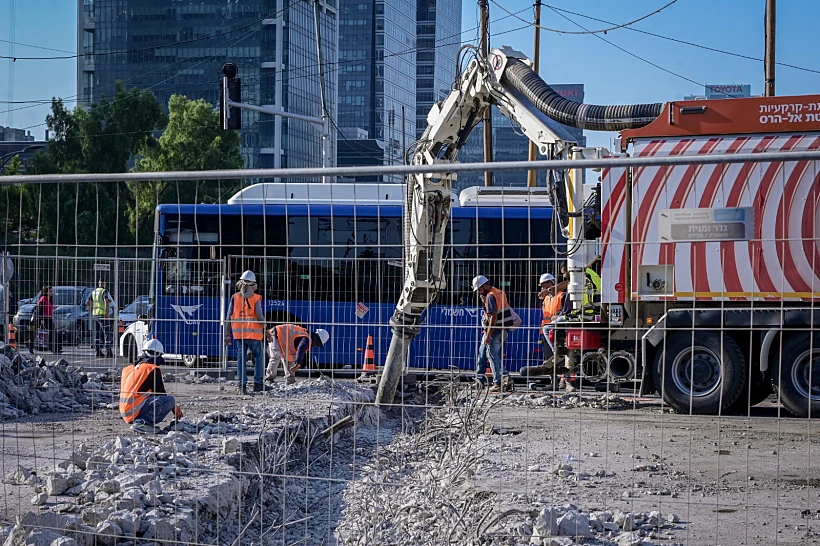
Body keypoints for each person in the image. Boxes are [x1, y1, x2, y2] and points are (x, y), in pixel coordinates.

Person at [119, 339, 183, 434]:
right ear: (158, 354)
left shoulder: (129, 369)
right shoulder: (152, 369)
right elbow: (160, 393)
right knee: (169, 400)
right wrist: (173, 407)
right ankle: (142, 423)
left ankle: (140, 422)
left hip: (125, 411)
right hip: (134, 410)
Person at [225, 270, 271, 395]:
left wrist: (227, 334)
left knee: (241, 360)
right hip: (254, 335)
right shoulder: (256, 298)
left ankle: (242, 386)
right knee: (259, 358)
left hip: (239, 335)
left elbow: (228, 317)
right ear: (253, 284)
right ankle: (258, 384)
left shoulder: (235, 297)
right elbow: (260, 317)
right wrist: (267, 331)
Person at [472, 275, 520, 393]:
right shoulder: (499, 292)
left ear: (484, 286)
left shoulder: (490, 296)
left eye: (479, 289)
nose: (479, 292)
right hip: (500, 329)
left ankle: (499, 382)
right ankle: (479, 381)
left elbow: (493, 317)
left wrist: (488, 335)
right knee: (482, 355)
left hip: (494, 331)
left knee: (492, 357)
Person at [520, 273, 560, 378]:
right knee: (549, 358)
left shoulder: (560, 296)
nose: (542, 288)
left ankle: (565, 380)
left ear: (550, 283)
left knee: (560, 357)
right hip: (546, 332)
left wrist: (558, 316)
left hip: (557, 331)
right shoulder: (546, 299)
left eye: (543, 285)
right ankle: (554, 381)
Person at [266, 324, 330, 385]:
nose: (316, 346)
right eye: (317, 344)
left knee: (290, 358)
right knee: (276, 356)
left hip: (283, 339)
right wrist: (298, 363)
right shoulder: (307, 339)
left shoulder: (307, 337)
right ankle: (269, 379)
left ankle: (290, 381)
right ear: (316, 340)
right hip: (275, 334)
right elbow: (301, 349)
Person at [86, 279, 114, 358]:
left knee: (97, 334)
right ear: (104, 284)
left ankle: (98, 351)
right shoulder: (104, 291)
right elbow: (106, 302)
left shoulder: (94, 292)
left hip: (95, 315)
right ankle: (108, 351)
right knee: (107, 333)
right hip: (103, 315)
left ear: (98, 284)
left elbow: (87, 302)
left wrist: (92, 310)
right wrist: (107, 314)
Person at [34, 286, 61, 354]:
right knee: (51, 333)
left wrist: (53, 307)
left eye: (52, 291)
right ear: (46, 292)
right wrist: (42, 319)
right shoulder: (43, 298)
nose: (52, 293)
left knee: (53, 333)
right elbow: (41, 309)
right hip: (45, 318)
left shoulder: (49, 300)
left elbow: (48, 308)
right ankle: (53, 348)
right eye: (50, 291)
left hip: (49, 318)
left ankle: (55, 348)